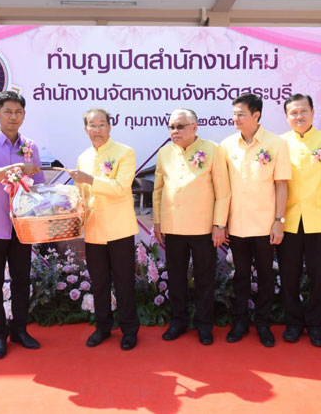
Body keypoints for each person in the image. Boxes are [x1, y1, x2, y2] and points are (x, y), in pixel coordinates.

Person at [0, 90, 45, 359]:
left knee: (22, 280)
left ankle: (20, 330)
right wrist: (17, 168)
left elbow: (39, 184)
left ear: (24, 115)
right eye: (8, 112)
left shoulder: (30, 146)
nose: (13, 117)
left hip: (22, 226)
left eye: (18, 112)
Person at [218, 93, 291, 347]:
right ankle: (239, 322)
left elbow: (281, 185)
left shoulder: (276, 144)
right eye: (234, 114)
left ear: (256, 115)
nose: (235, 119)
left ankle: (263, 323)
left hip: (264, 225)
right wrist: (221, 222)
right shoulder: (226, 145)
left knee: (266, 277)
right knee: (240, 276)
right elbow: (222, 188)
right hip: (236, 225)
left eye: (241, 114)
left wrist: (279, 220)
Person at [152, 109, 230, 345]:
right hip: (173, 226)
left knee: (204, 279)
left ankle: (204, 325)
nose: (175, 131)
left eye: (180, 126)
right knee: (176, 278)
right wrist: (158, 221)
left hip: (203, 228)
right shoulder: (165, 152)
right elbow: (158, 190)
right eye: (171, 127)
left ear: (194, 127)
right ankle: (178, 322)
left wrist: (219, 224)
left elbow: (223, 192)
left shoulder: (212, 149)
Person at [68, 109, 140, 350]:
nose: (97, 130)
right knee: (99, 283)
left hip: (119, 229)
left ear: (110, 127)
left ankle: (129, 330)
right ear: (85, 129)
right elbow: (81, 195)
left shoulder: (124, 152)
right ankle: (102, 327)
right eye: (92, 125)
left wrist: (90, 179)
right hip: (94, 229)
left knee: (124, 282)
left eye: (101, 124)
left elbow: (121, 188)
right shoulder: (83, 157)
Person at [278, 94, 321, 347]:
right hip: (289, 219)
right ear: (287, 117)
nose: (299, 116)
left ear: (313, 112)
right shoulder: (280, 143)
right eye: (293, 113)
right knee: (289, 275)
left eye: (303, 111)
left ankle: (316, 325)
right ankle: (293, 323)